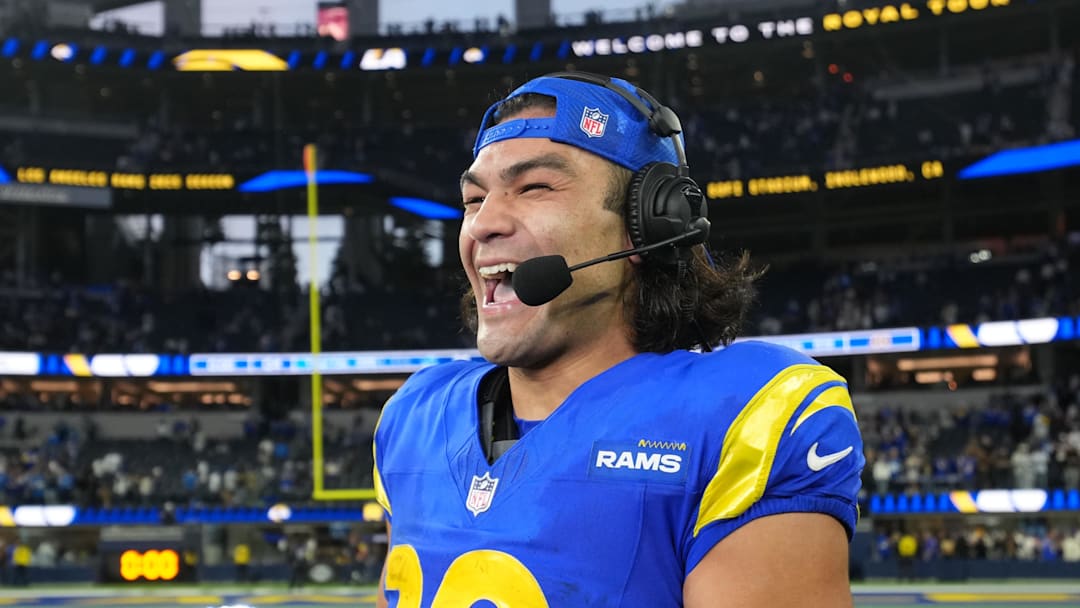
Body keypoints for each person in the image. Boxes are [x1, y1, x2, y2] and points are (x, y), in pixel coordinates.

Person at [373, 71, 864, 607]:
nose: (483, 224)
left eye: (534, 187)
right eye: (473, 199)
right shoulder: (415, 416)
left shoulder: (741, 418)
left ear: (649, 225)